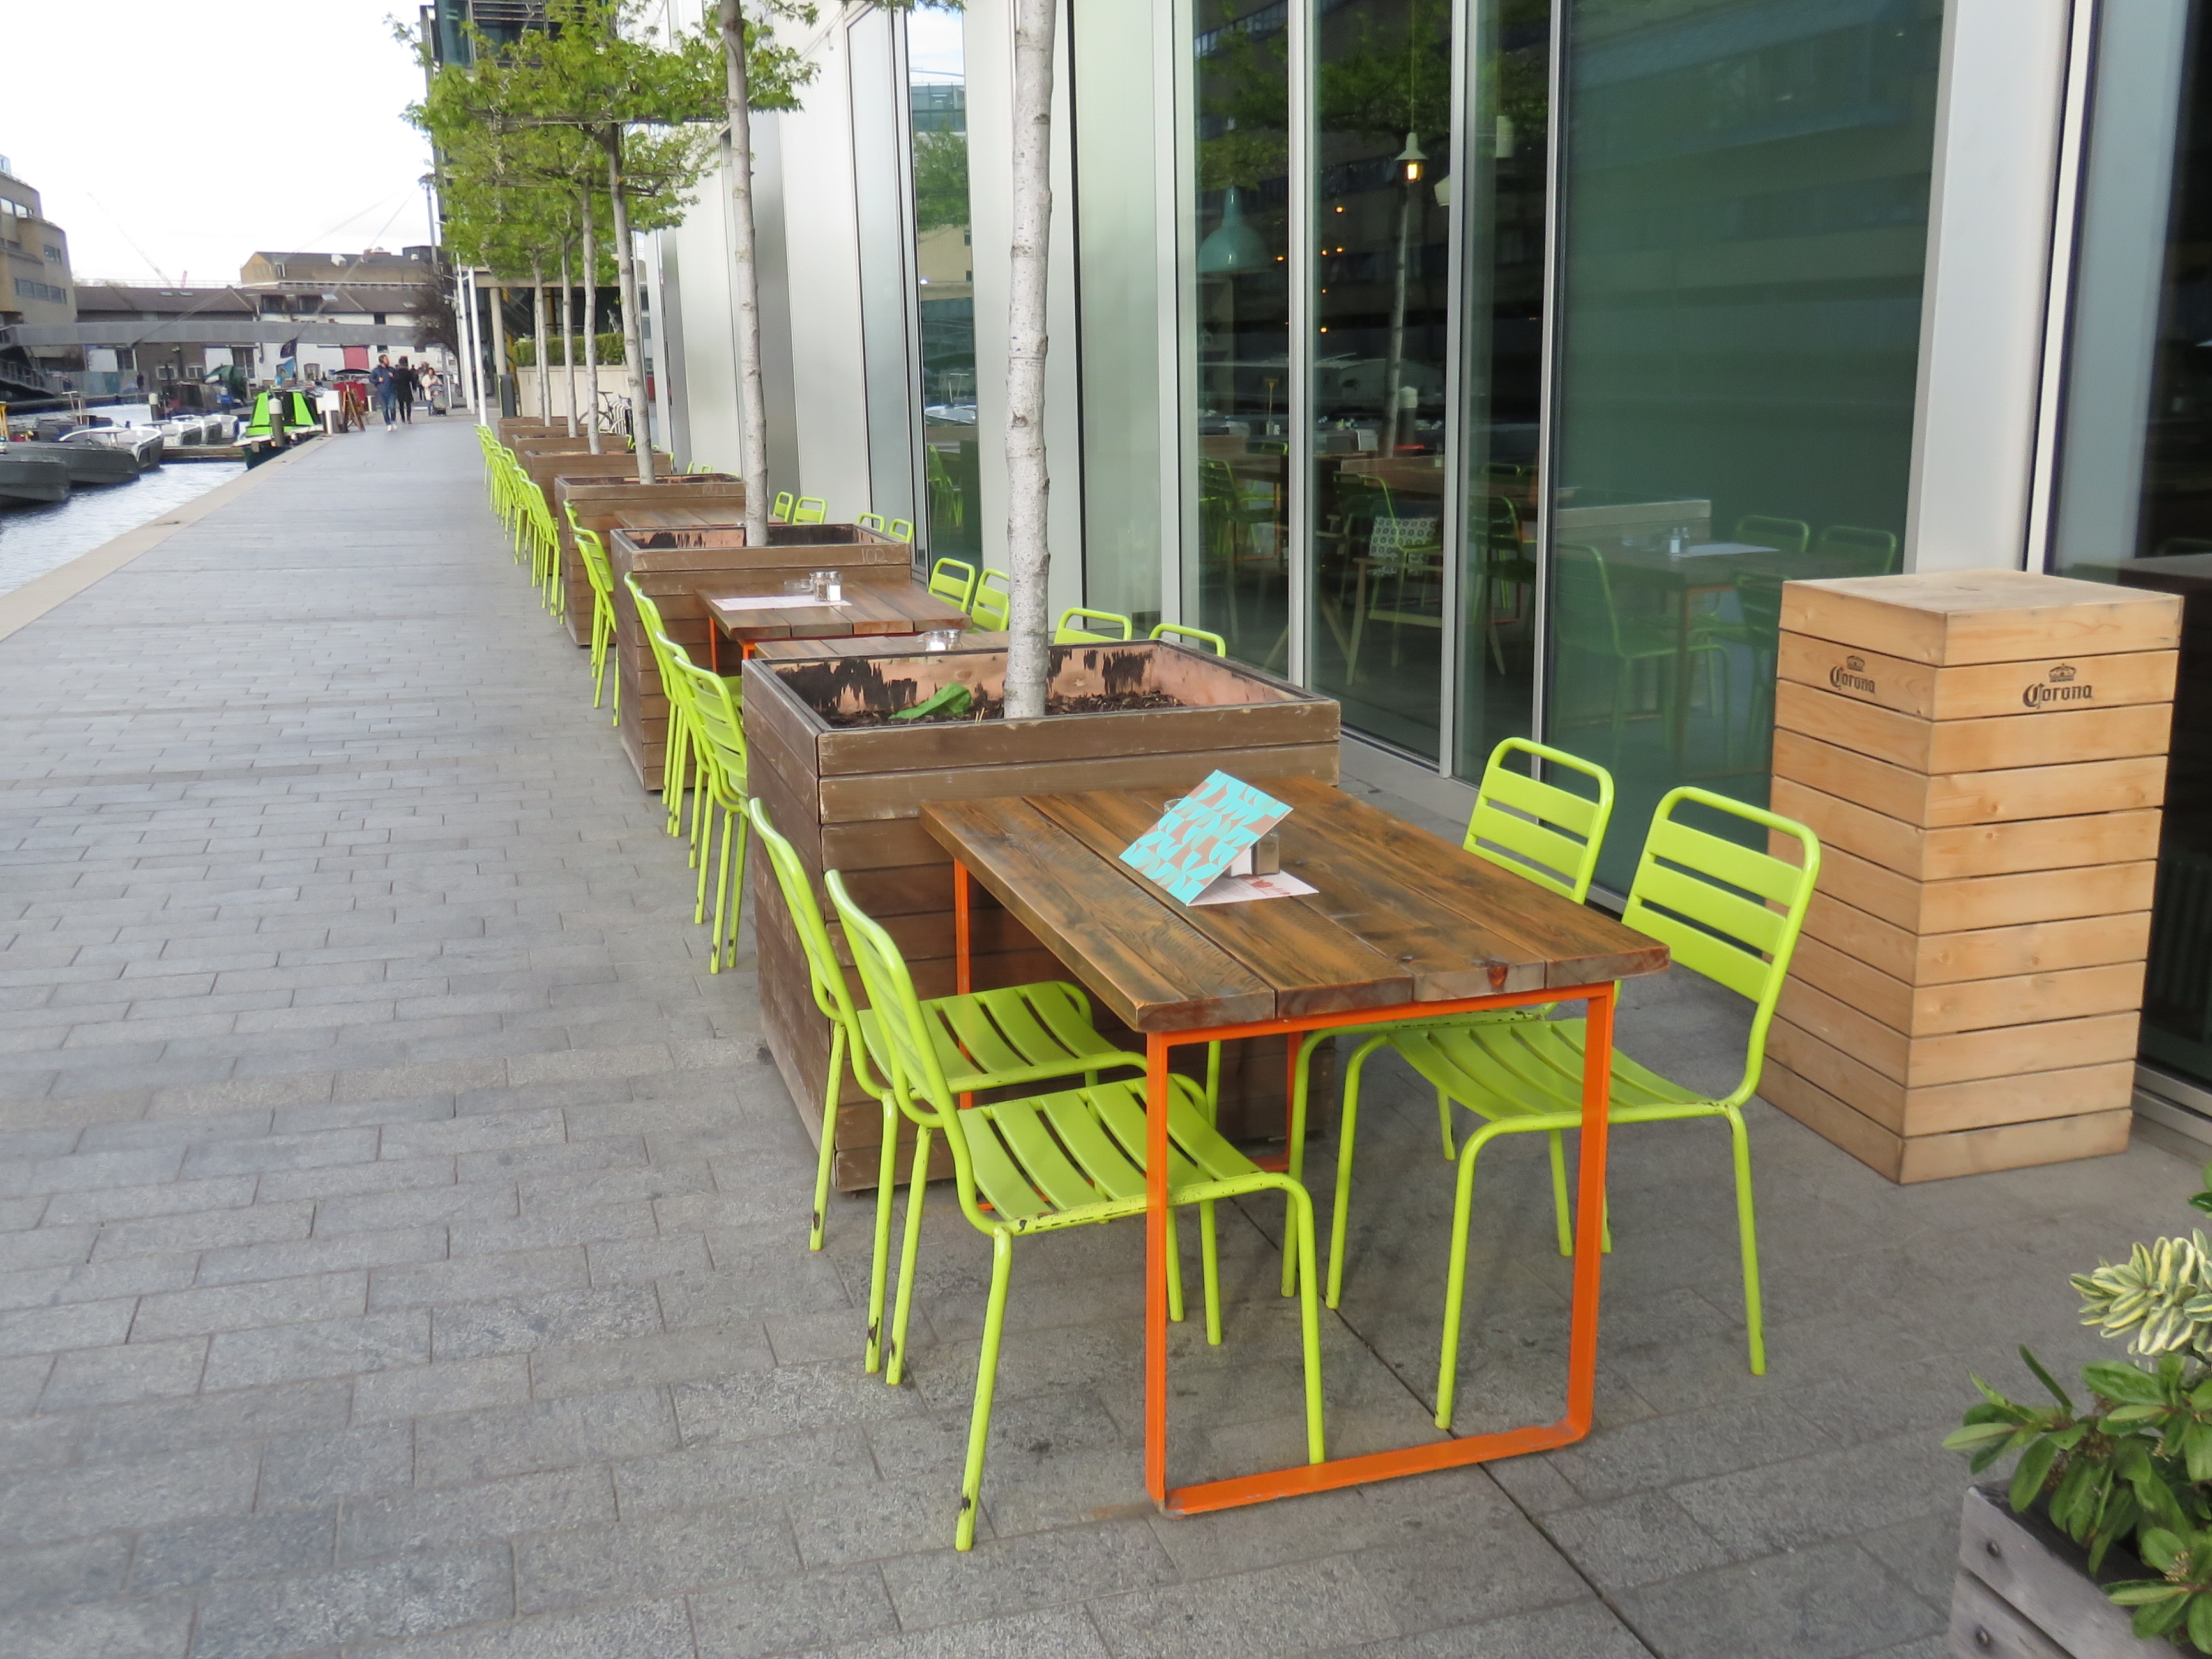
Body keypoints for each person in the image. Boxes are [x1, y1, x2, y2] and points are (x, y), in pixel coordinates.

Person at [369, 354, 398, 432]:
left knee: (392, 407)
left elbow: (398, 379)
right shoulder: (376, 370)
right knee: (384, 410)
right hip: (382, 393)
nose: (388, 361)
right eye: (386, 359)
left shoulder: (392, 369)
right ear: (382, 361)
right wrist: (378, 380)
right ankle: (388, 424)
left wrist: (393, 377)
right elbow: (371, 379)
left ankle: (393, 421)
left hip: (391, 392)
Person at [395, 356, 419, 425]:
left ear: (399, 363)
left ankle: (403, 418)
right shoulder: (408, 372)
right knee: (408, 405)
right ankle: (409, 418)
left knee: (401, 405)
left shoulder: (397, 372)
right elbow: (413, 380)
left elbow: (394, 381)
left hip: (399, 390)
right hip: (407, 389)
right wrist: (414, 388)